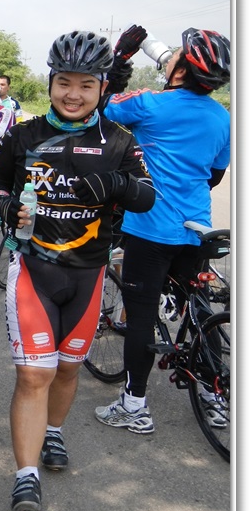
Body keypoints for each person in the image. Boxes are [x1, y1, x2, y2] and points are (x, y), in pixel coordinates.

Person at [0, 30, 155, 511]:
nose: (73, 94)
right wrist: (5, 206)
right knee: (33, 374)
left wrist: (116, 182)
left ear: (102, 87)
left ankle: (53, 432)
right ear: (51, 82)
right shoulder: (25, 134)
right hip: (33, 270)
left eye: (85, 84)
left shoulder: (119, 140)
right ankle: (26, 475)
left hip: (88, 275)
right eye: (64, 82)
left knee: (67, 369)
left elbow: (147, 195)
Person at [94, 26, 230, 434]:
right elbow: (215, 176)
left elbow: (101, 106)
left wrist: (120, 60)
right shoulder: (222, 117)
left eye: (175, 57)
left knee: (140, 316)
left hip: (152, 227)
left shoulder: (152, 104)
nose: (168, 58)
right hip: (197, 228)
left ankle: (134, 405)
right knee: (198, 306)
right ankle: (215, 396)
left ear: (181, 70)